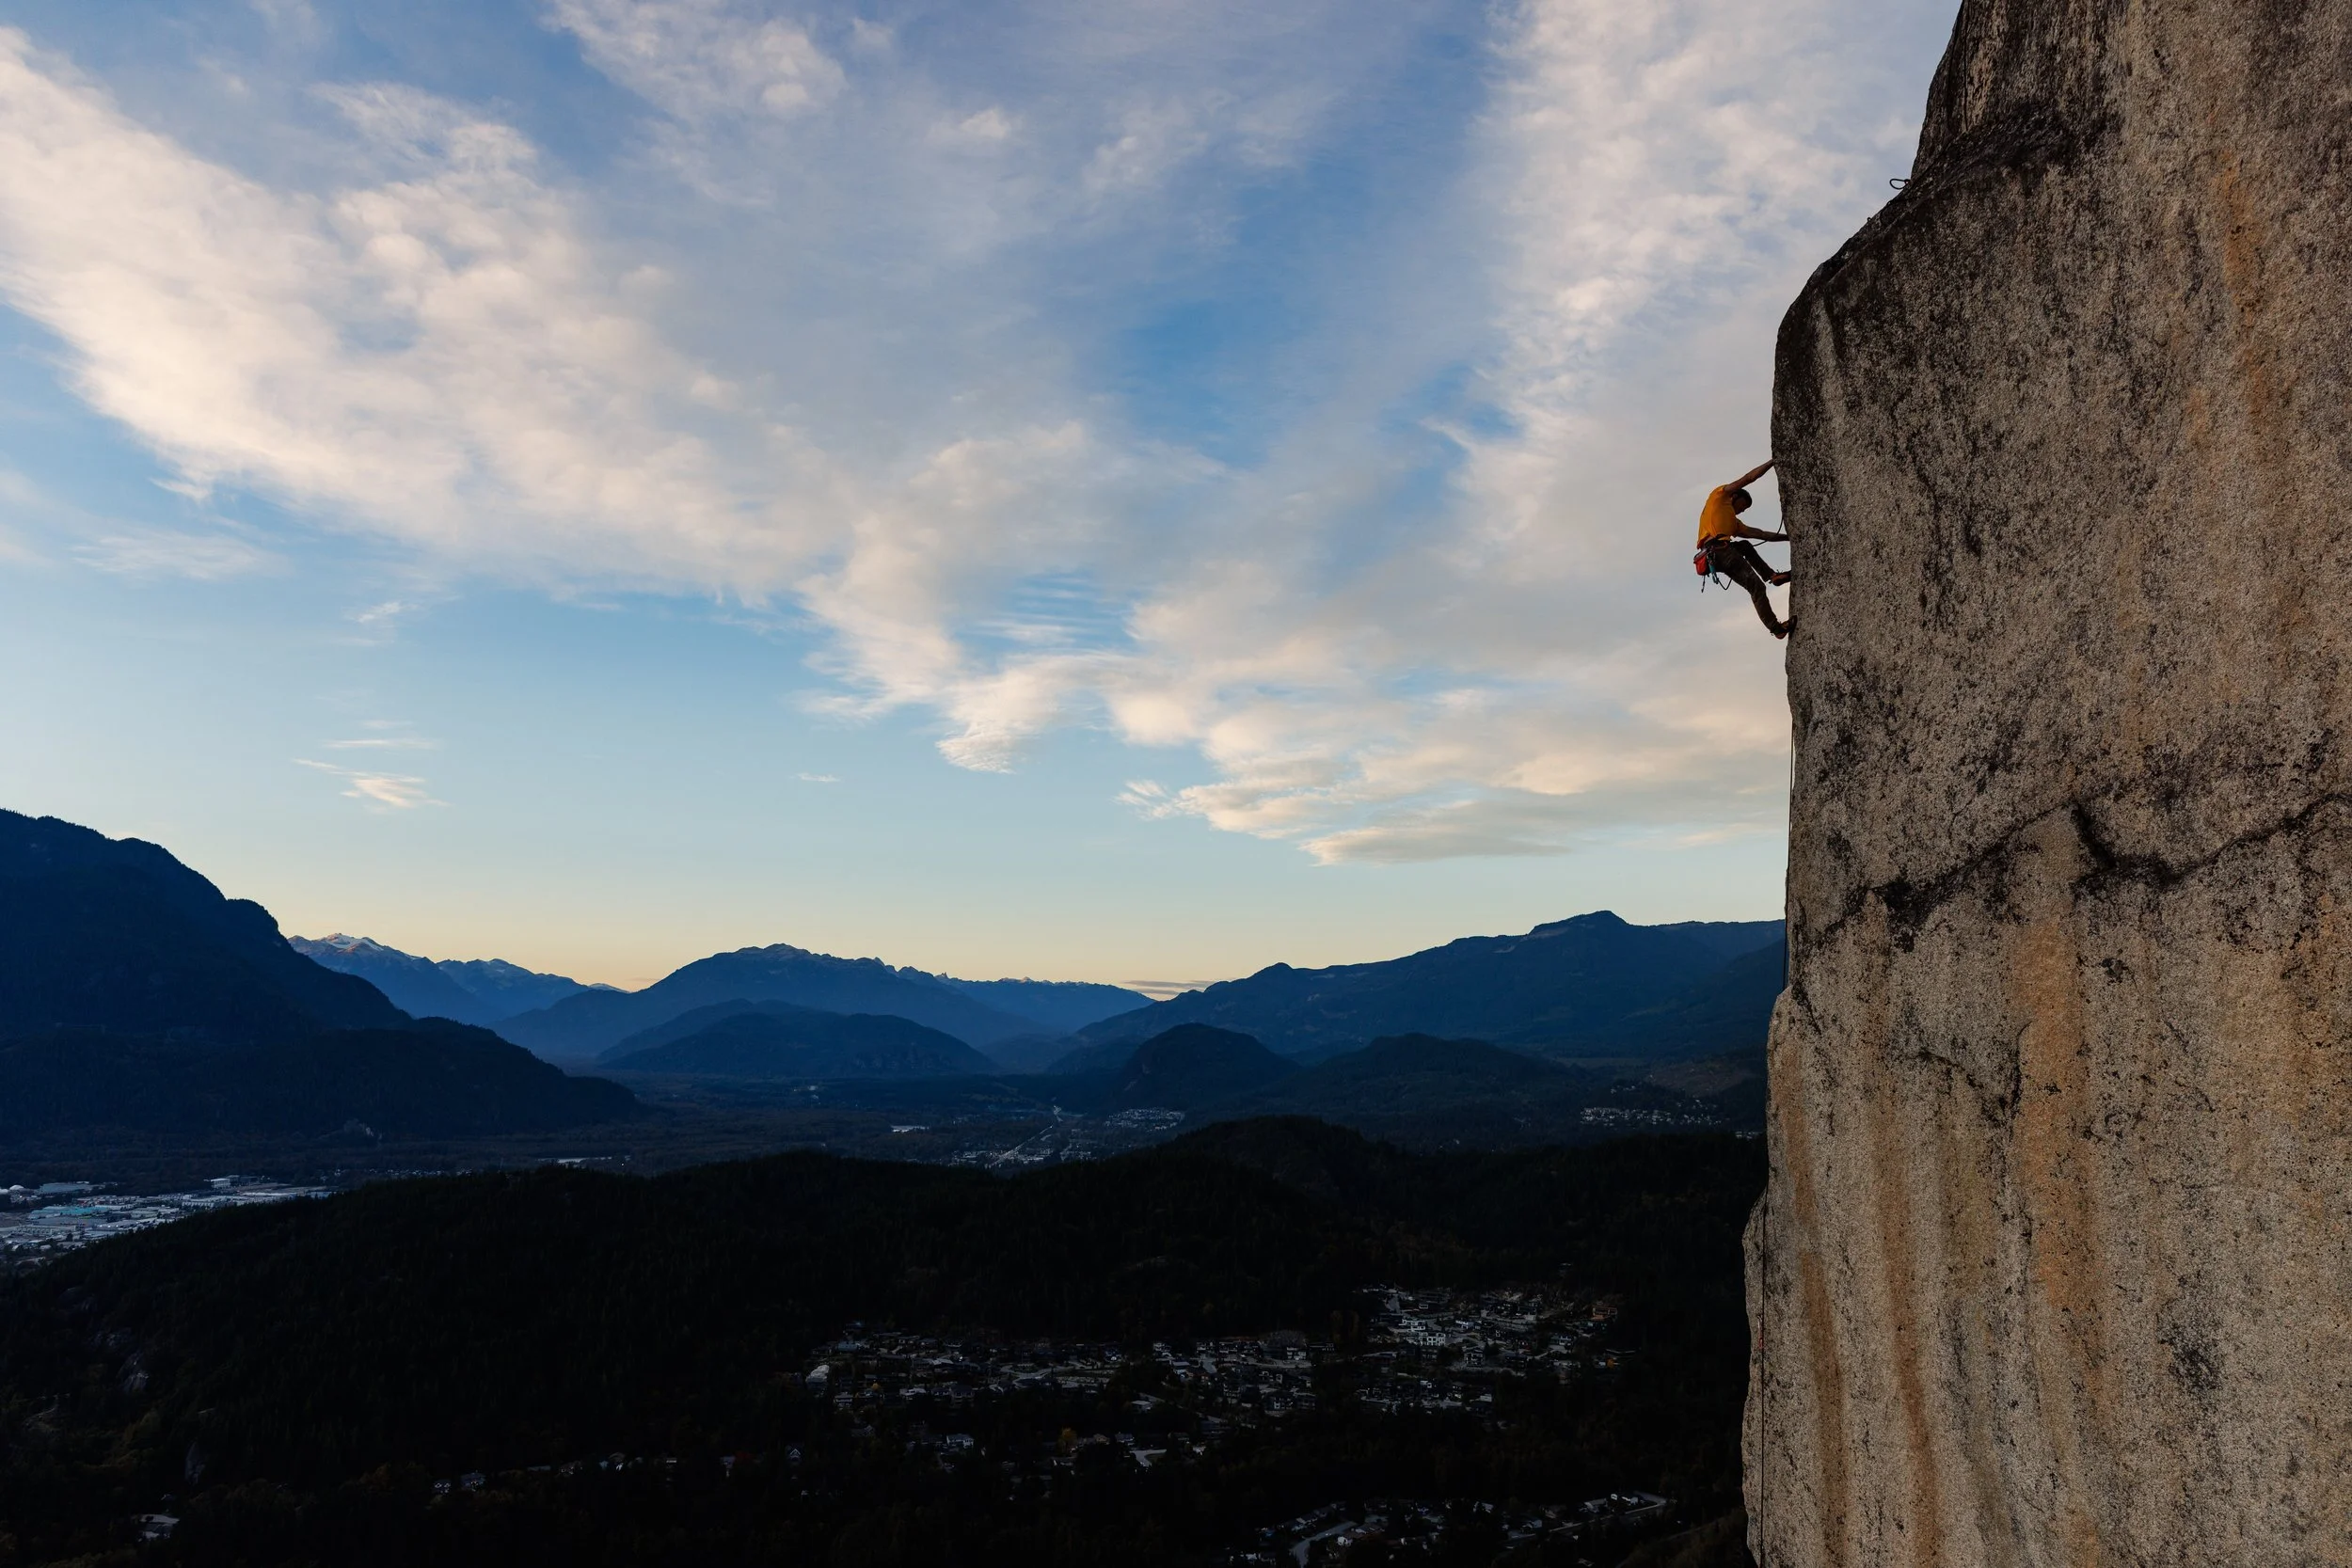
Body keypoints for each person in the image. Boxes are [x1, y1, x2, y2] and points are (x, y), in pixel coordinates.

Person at [1695, 459, 1791, 639]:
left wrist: (1788, 537)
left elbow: (1761, 534)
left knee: (1745, 546)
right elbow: (1749, 478)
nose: (1744, 510)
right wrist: (1774, 461)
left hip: (1717, 555)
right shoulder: (1719, 497)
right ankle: (1776, 628)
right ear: (1735, 497)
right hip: (1720, 552)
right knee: (1756, 587)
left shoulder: (1733, 523)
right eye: (1744, 505)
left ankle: (1772, 576)